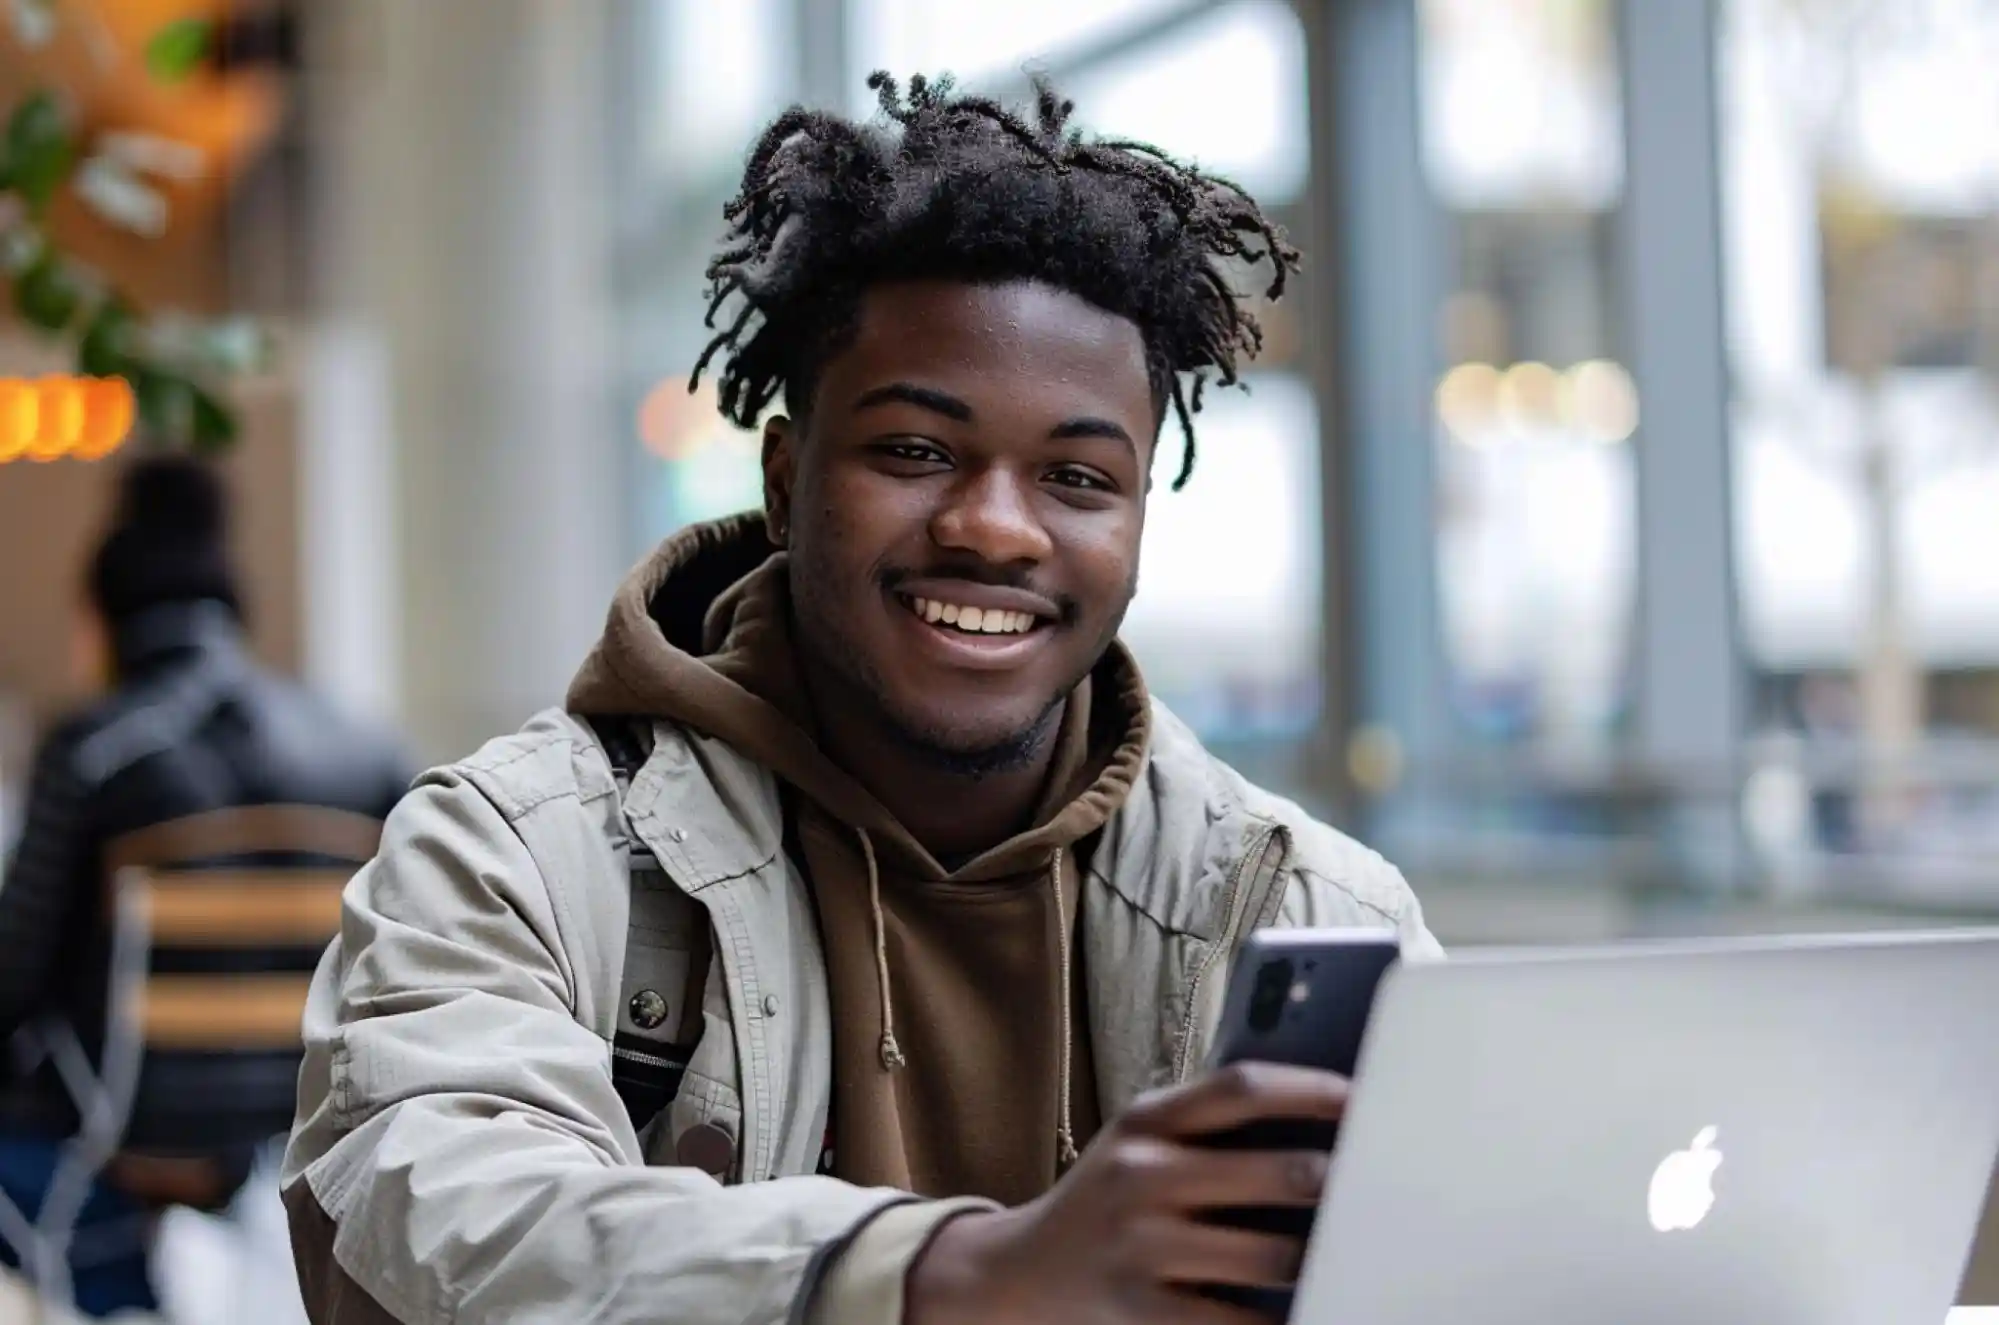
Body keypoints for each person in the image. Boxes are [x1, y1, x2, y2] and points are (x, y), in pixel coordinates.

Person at [283, 73, 1441, 1325]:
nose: (996, 527)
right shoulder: (515, 851)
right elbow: (439, 1207)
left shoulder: (1302, 907)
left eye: (1077, 475)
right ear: (786, 480)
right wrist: (949, 1272)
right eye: (914, 451)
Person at [0, 454, 410, 1317]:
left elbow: (15, 978)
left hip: (116, 1140)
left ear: (103, 621)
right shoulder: (366, 750)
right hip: (302, 1136)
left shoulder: (92, 752)